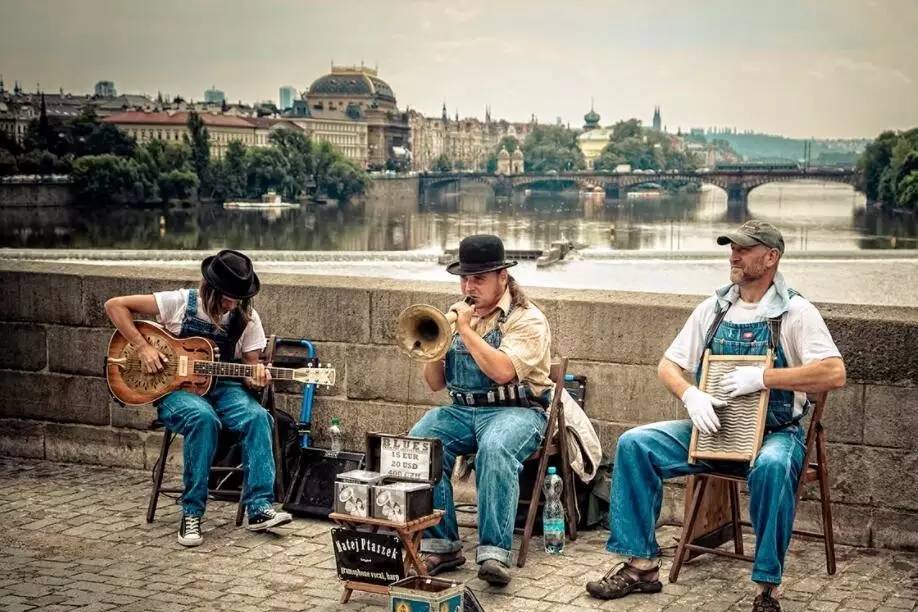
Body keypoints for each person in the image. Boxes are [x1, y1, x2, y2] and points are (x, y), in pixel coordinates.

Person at [585, 221, 846, 612]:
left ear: (771, 257)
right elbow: (667, 366)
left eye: (744, 248)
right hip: (714, 432)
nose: (733, 255)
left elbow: (834, 373)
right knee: (634, 444)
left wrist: (762, 377)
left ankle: (767, 586)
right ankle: (641, 565)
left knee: (773, 467)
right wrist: (690, 395)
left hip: (776, 434)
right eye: (731, 247)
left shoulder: (795, 312)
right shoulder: (714, 309)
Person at [104, 249, 291, 547]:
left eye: (238, 298)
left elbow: (251, 365)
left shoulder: (246, 317)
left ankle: (259, 509)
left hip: (225, 388)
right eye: (227, 297)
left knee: (258, 417)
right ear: (210, 289)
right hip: (177, 391)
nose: (232, 304)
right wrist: (142, 347)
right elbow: (115, 306)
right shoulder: (179, 302)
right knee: (203, 419)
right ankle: (191, 513)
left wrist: (255, 376)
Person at [409, 234, 553, 586]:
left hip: (517, 410)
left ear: (502, 277)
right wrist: (437, 345)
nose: (469, 286)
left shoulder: (527, 319)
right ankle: (442, 545)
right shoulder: (460, 315)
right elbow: (434, 384)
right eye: (464, 278)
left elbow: (503, 370)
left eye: (478, 278)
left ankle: (493, 553)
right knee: (420, 442)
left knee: (495, 447)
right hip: (463, 411)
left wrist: (464, 330)